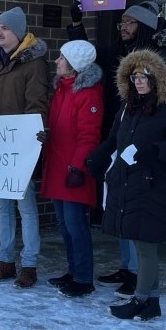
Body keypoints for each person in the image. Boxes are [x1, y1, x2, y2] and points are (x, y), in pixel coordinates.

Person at [69, 0, 166, 297]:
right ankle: (127, 266)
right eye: (121, 23)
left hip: (146, 146)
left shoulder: (162, 59)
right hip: (123, 138)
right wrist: (77, 25)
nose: (123, 27)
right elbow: (87, 57)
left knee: (137, 209)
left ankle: (138, 275)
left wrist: (155, 145)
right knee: (120, 203)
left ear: (144, 27)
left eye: (130, 23)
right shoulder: (122, 53)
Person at [86, 48, 166, 321]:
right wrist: (97, 157)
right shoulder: (128, 108)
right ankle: (151, 302)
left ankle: (140, 299)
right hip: (127, 183)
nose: (139, 80)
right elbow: (114, 140)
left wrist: (156, 151)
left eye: (145, 75)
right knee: (138, 242)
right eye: (134, 75)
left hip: (153, 185)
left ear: (157, 78)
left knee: (145, 246)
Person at [0, 6, 49, 288]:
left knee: (26, 207)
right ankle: (5, 259)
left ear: (19, 33)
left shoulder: (34, 64)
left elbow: (37, 105)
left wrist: (30, 139)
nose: (0, 31)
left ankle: (30, 263)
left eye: (6, 28)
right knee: (2, 207)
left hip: (20, 147)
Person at [39, 40, 103, 298]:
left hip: (73, 172)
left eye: (62, 58)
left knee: (76, 226)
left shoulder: (88, 95)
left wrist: (77, 168)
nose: (57, 61)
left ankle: (83, 277)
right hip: (58, 168)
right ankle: (73, 270)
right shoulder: (62, 90)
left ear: (74, 65)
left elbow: (89, 136)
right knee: (65, 225)